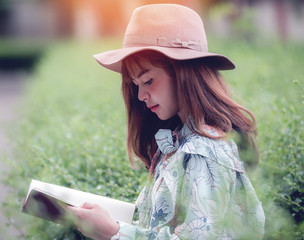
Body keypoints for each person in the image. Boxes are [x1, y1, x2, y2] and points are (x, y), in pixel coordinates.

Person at [68, 4, 265, 240]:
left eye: (148, 80)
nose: (140, 96)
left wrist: (114, 232)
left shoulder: (204, 150)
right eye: (135, 84)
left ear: (184, 73)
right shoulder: (179, 141)